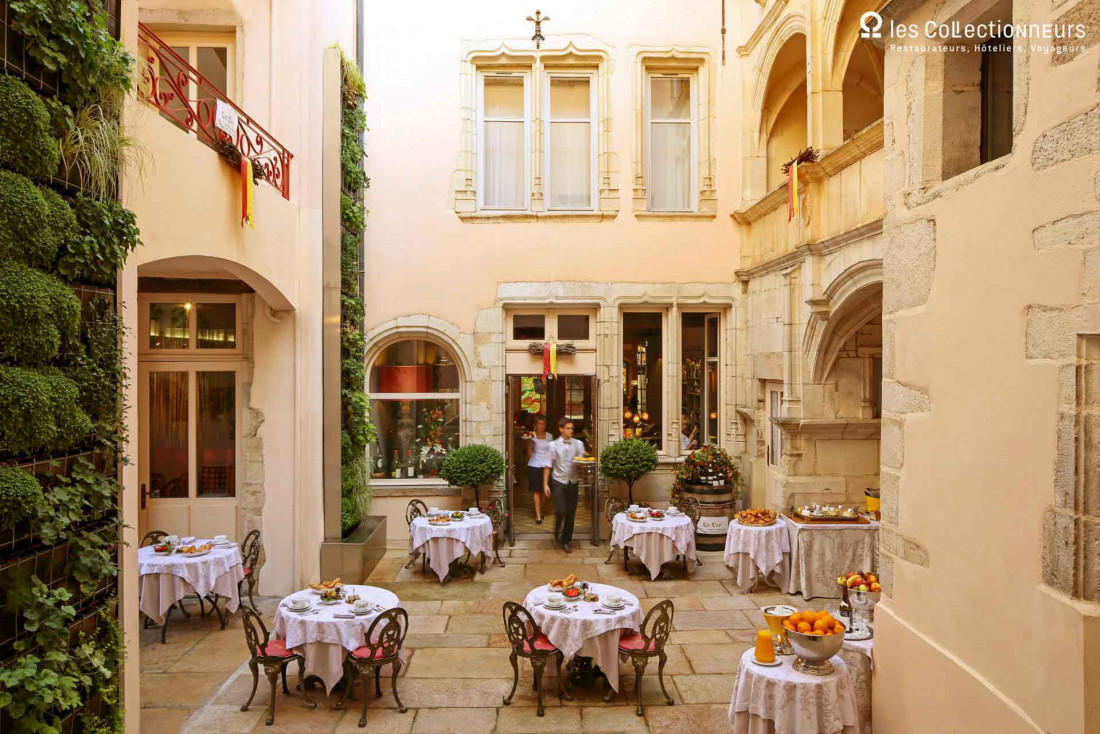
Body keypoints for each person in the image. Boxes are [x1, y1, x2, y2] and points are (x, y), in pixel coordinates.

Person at [543, 418, 586, 553]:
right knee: (561, 509)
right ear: (561, 429)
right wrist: (545, 484)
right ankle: (557, 530)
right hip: (558, 482)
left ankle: (566, 540)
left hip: (573, 481)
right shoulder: (553, 445)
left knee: (571, 512)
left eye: (572, 428)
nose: (571, 431)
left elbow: (581, 460)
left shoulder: (578, 444)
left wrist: (581, 462)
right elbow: (547, 465)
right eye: (568, 428)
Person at [525, 415, 553, 524]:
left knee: (544, 491)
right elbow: (529, 454)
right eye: (539, 424)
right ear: (535, 425)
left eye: (543, 424)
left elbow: (551, 451)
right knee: (537, 491)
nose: (542, 426)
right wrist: (529, 443)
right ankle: (537, 515)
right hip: (534, 464)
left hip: (546, 465)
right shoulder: (531, 436)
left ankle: (540, 509)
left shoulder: (550, 436)